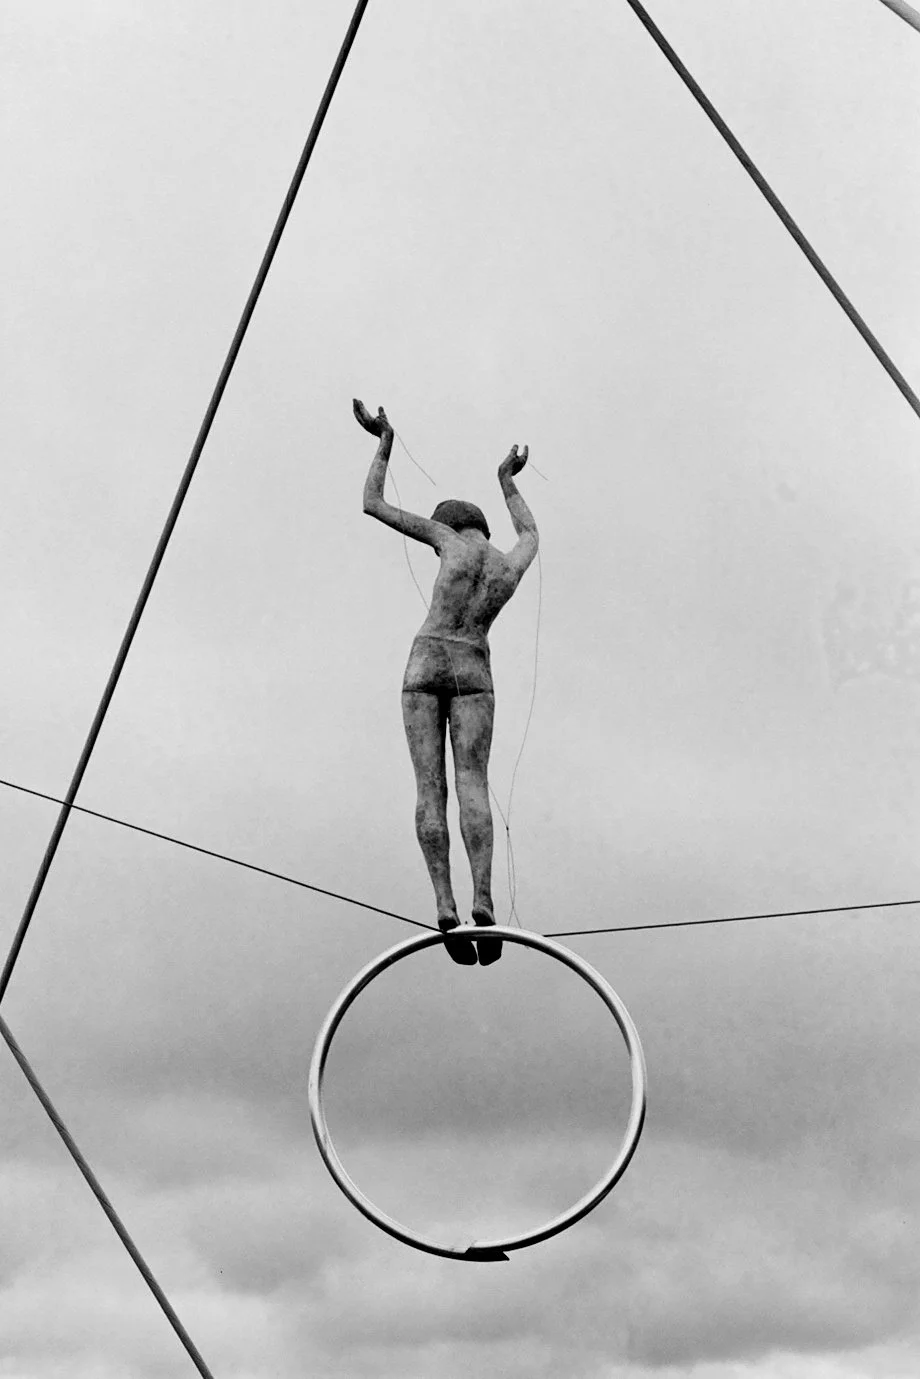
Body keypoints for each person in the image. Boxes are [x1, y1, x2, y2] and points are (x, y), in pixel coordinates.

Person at [354, 398, 539, 965]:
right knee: (473, 783)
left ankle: (444, 901)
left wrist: (384, 442)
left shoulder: (447, 539)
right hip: (475, 665)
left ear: (452, 523)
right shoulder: (510, 562)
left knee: (429, 786)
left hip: (427, 660)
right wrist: (507, 479)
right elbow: (531, 530)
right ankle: (483, 897)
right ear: (483, 525)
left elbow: (373, 503)